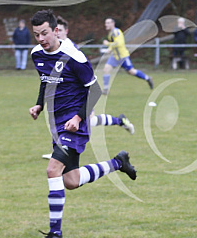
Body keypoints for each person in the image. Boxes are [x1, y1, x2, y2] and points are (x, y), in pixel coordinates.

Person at [29, 9, 138, 238]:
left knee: (52, 170)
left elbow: (95, 90)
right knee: (71, 180)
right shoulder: (37, 54)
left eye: (45, 33)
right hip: (57, 124)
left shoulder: (74, 57)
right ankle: (119, 162)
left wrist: (79, 118)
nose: (41, 39)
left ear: (56, 30)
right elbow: (45, 81)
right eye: (36, 35)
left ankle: (55, 234)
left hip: (74, 123)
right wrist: (38, 105)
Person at [40, 14, 136, 160]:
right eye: (56, 30)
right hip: (70, 95)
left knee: (83, 120)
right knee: (84, 120)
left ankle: (60, 151)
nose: (57, 33)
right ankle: (120, 121)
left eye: (60, 30)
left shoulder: (70, 48)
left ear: (66, 31)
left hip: (81, 94)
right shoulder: (55, 49)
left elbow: (84, 74)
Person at [102, 17, 153, 94]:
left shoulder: (117, 32)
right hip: (115, 56)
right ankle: (106, 90)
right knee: (106, 69)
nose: (106, 24)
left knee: (131, 72)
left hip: (122, 57)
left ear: (113, 23)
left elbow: (119, 43)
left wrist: (108, 44)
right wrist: (110, 48)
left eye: (108, 23)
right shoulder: (110, 34)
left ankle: (148, 78)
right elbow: (114, 44)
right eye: (106, 23)